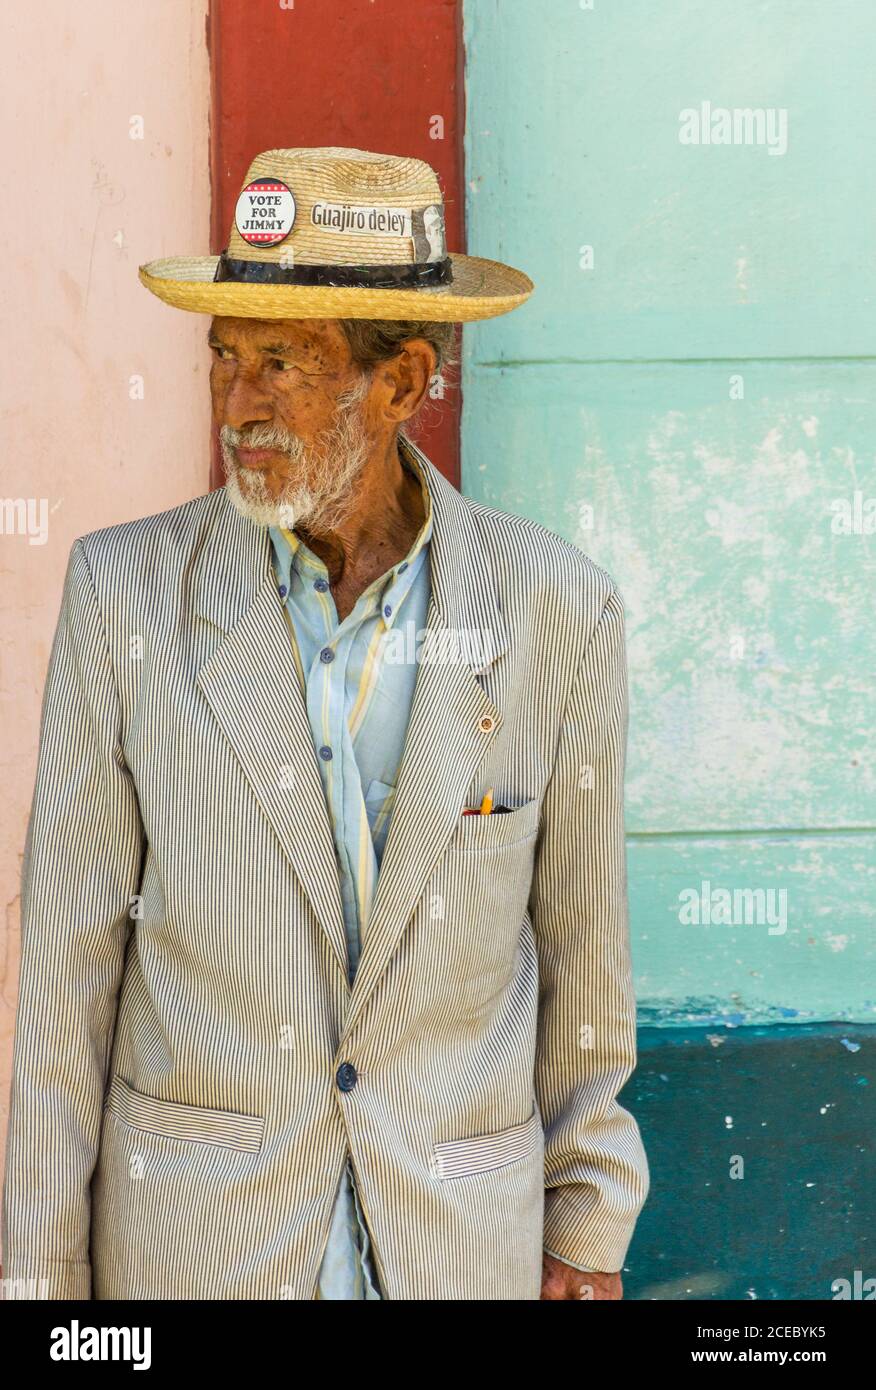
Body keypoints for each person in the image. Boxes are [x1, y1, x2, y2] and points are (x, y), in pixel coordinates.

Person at [2, 146, 648, 1300]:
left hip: (459, 1251)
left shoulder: (558, 608)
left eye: (282, 364)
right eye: (225, 359)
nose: (238, 403)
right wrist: (41, 1287)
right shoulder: (127, 596)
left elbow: (580, 955)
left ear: (401, 381)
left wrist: (587, 1223)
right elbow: (68, 974)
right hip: (196, 1259)